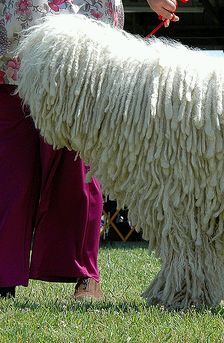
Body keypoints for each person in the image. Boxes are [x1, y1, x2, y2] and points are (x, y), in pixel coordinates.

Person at [0, 0, 179, 299]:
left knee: (80, 164)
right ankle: (3, 275)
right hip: (19, 32)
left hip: (83, 42)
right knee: (8, 168)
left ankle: (84, 274)